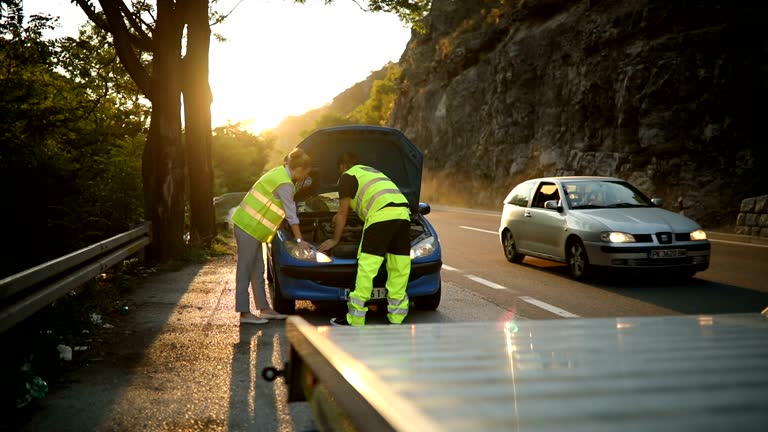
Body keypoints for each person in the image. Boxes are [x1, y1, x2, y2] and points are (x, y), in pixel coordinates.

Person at [318, 152, 411, 326]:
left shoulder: (347, 176)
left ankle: (355, 318)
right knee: (399, 267)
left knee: (368, 267)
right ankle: (397, 319)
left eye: (339, 169)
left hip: (381, 218)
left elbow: (343, 212)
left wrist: (335, 239)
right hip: (403, 216)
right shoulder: (372, 172)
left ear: (342, 166)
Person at [231, 148, 312, 325]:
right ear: (298, 169)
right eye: (306, 172)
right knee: (245, 269)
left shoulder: (279, 173)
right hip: (247, 227)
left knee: (257, 270)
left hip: (252, 229)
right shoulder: (284, 184)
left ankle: (264, 309)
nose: (306, 176)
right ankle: (244, 313)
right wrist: (299, 240)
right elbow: (291, 214)